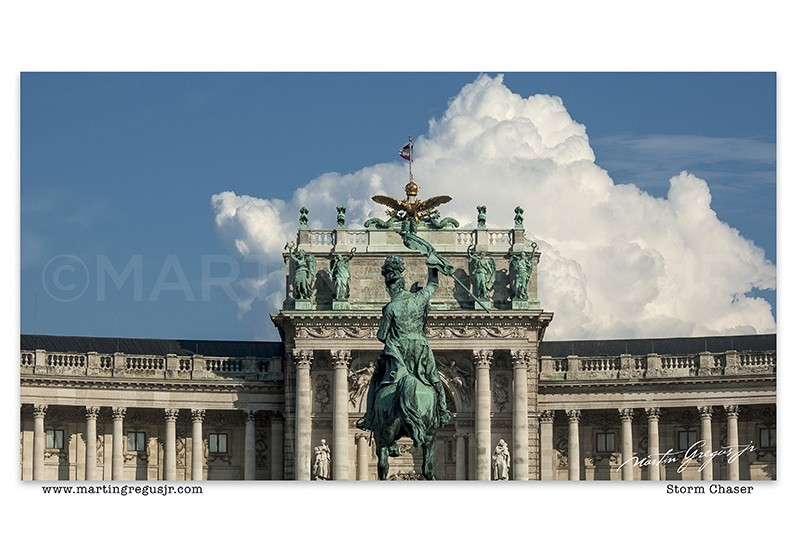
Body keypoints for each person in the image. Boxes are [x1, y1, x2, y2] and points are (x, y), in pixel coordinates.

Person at [356, 256, 452, 434]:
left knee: (375, 379)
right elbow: (433, 284)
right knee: (433, 377)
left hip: (398, 352)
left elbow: (381, 335)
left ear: (390, 288)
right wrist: (432, 266)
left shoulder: (391, 307)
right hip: (420, 349)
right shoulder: (419, 298)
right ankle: (443, 410)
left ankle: (368, 417)